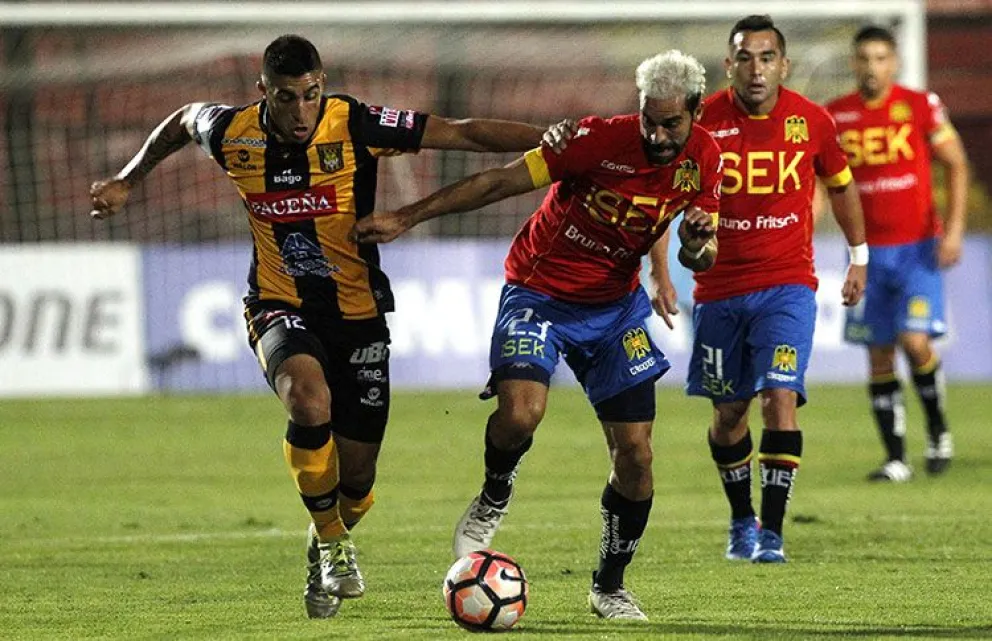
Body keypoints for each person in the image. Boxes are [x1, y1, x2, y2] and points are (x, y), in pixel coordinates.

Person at [87, 34, 556, 620]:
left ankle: (324, 537)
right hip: (277, 301)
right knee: (307, 401)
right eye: (287, 97)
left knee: (356, 481)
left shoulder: (355, 123)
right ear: (264, 92)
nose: (301, 111)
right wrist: (128, 179)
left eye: (311, 95)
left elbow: (463, 133)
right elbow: (183, 120)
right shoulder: (233, 132)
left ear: (323, 86)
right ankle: (334, 544)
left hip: (358, 314)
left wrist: (557, 141)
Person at [352, 50, 723, 620]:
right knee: (521, 414)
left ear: (695, 111)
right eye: (649, 119)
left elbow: (702, 252)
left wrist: (694, 247)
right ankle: (494, 495)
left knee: (637, 456)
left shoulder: (706, 158)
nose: (656, 134)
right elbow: (497, 183)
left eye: (670, 123)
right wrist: (408, 216)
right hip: (538, 292)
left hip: (615, 311)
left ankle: (608, 587)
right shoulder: (595, 140)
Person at [672, 15, 867, 563]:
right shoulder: (702, 122)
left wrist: (859, 257)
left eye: (766, 58)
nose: (756, 69)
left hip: (787, 286)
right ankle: (742, 518)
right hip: (718, 289)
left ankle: (773, 534)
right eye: (745, 58)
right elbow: (670, 195)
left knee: (780, 397)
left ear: (784, 65)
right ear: (728, 65)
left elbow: (842, 186)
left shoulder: (812, 121)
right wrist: (668, 264)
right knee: (728, 414)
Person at [826, 25, 970, 482]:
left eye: (880, 58)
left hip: (917, 250)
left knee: (915, 342)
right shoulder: (835, 115)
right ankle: (895, 459)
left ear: (895, 62)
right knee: (878, 355)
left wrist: (955, 230)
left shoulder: (920, 105)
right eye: (864, 58)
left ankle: (938, 431)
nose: (872, 67)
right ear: (854, 63)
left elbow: (956, 163)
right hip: (865, 255)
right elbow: (819, 181)